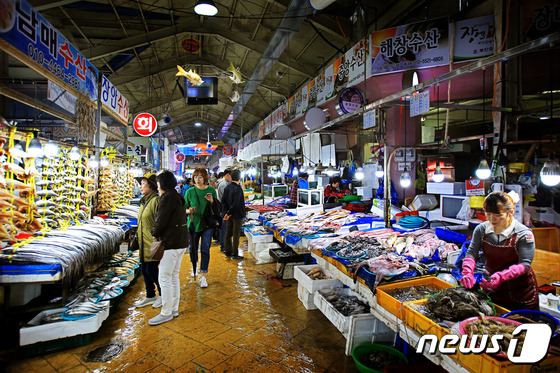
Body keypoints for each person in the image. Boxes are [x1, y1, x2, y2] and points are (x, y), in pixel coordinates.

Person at [460, 191, 539, 311]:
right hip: (492, 288)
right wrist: (467, 272)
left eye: (498, 216)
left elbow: (525, 264)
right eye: (488, 214)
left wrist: (502, 276)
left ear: (510, 212)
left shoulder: (523, 234)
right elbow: (471, 253)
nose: (492, 219)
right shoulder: (481, 229)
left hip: (520, 291)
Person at [149, 170, 189, 325]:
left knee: (164, 278)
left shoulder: (166, 198)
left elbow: (160, 221)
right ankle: (174, 309)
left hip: (170, 243)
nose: (157, 186)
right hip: (180, 242)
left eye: (158, 183)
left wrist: (154, 233)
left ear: (162, 184)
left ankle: (166, 312)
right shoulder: (178, 196)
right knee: (173, 276)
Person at [185, 168, 218, 288]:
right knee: (192, 249)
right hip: (194, 225)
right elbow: (184, 209)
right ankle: (194, 267)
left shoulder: (211, 190)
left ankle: (203, 275)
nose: (197, 179)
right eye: (195, 177)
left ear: (205, 178)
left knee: (205, 248)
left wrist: (212, 201)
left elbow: (217, 208)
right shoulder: (189, 192)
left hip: (208, 224)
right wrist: (189, 211)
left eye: (200, 177)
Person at [133, 173, 161, 309]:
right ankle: (150, 295)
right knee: (145, 270)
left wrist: (157, 238)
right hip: (143, 243)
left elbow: (159, 222)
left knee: (152, 270)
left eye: (143, 183)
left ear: (151, 185)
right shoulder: (144, 201)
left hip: (152, 243)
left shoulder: (155, 201)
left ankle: (162, 294)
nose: (140, 186)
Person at [222, 169, 246, 259]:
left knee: (228, 234)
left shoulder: (227, 188)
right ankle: (235, 254)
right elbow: (236, 204)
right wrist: (230, 212)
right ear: (240, 178)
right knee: (236, 235)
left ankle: (228, 251)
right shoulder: (238, 189)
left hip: (229, 215)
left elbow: (223, 202)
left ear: (231, 177)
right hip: (237, 215)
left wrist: (227, 213)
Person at [216, 169, 232, 252]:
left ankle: (224, 245)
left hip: (223, 208)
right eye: (231, 176)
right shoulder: (223, 185)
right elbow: (226, 198)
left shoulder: (226, 183)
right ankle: (223, 246)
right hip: (223, 209)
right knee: (224, 228)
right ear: (227, 175)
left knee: (224, 227)